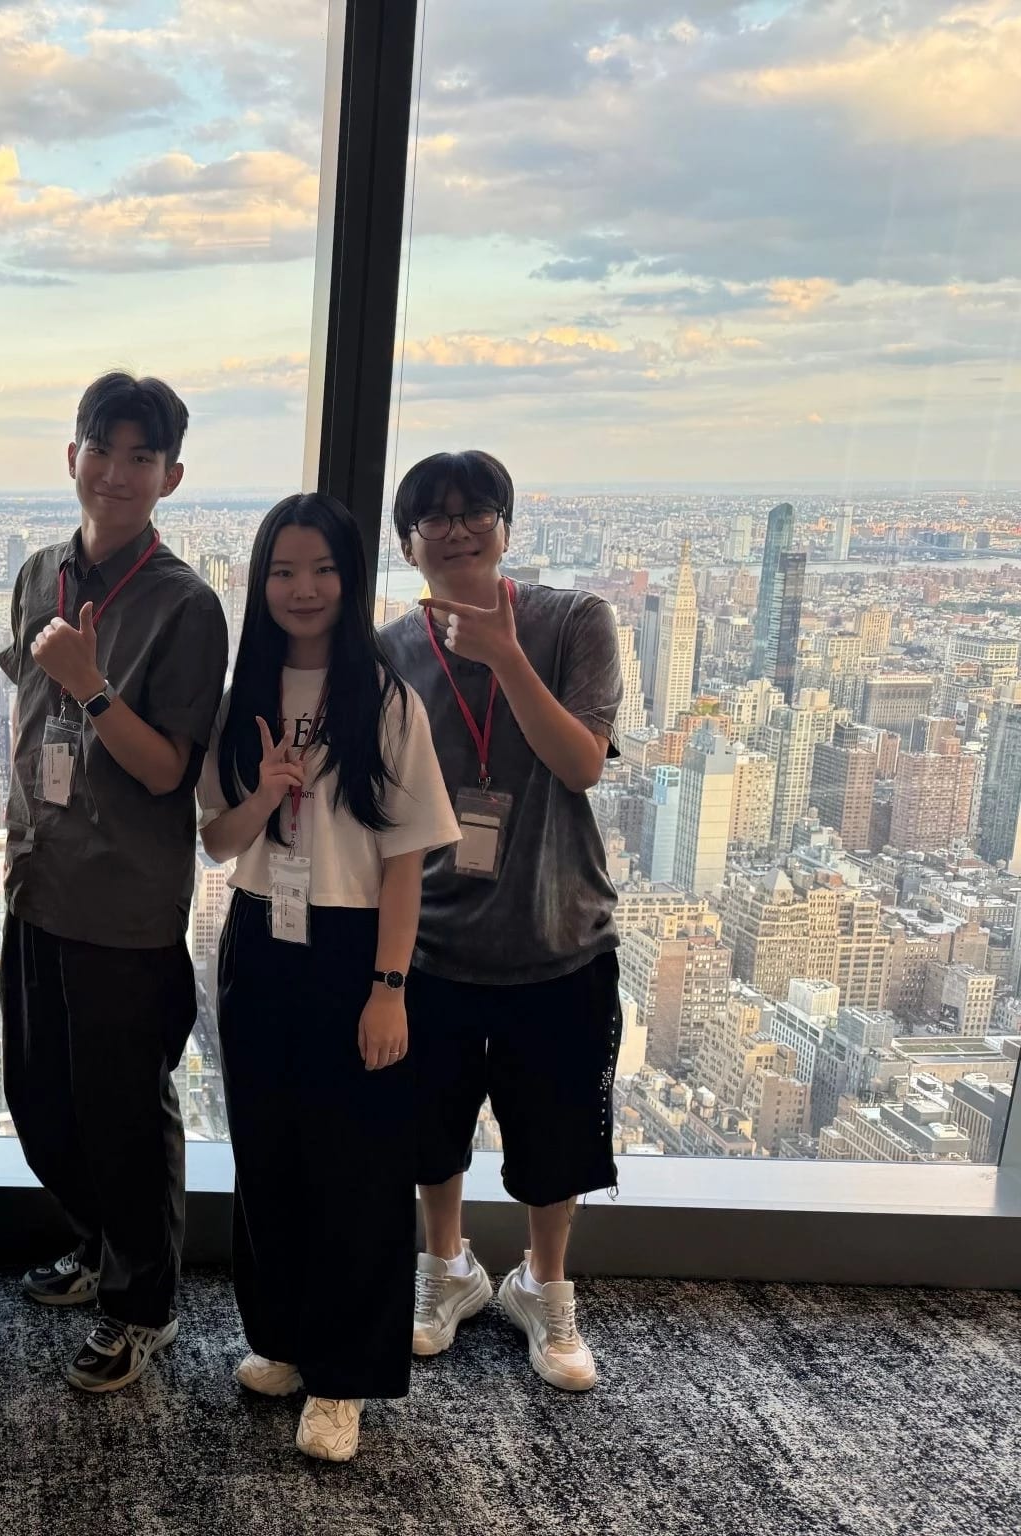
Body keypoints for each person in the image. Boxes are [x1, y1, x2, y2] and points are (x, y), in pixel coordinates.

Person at [197, 493, 458, 1460]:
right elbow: (216, 842)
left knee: (357, 1168)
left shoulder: (385, 701)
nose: (301, 589)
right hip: (260, 935)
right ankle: (283, 1337)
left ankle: (343, 1374)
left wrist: (389, 988)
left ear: (350, 579)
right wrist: (266, 793)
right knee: (268, 1154)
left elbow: (405, 863)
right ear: (259, 583)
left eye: (321, 570)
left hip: (355, 948)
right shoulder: (245, 698)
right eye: (282, 571)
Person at [0, 371, 229, 1392]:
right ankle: (96, 1244)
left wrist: (91, 686)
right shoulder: (38, 573)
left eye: (143, 456)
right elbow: (24, 716)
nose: (118, 471)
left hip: (126, 903)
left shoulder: (184, 604)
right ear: (73, 457)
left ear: (170, 476)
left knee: (125, 1115)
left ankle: (143, 1305)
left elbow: (167, 769)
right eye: (103, 448)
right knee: (38, 1096)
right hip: (37, 879)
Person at [379, 450, 625, 1393]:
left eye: (474, 510)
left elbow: (582, 763)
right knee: (428, 1130)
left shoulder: (573, 621)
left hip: (556, 935)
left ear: (506, 526)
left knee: (554, 1140)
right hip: (434, 940)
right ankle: (446, 1266)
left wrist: (507, 656)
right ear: (408, 544)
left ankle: (544, 1285)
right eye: (433, 517)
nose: (455, 529)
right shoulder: (393, 649)